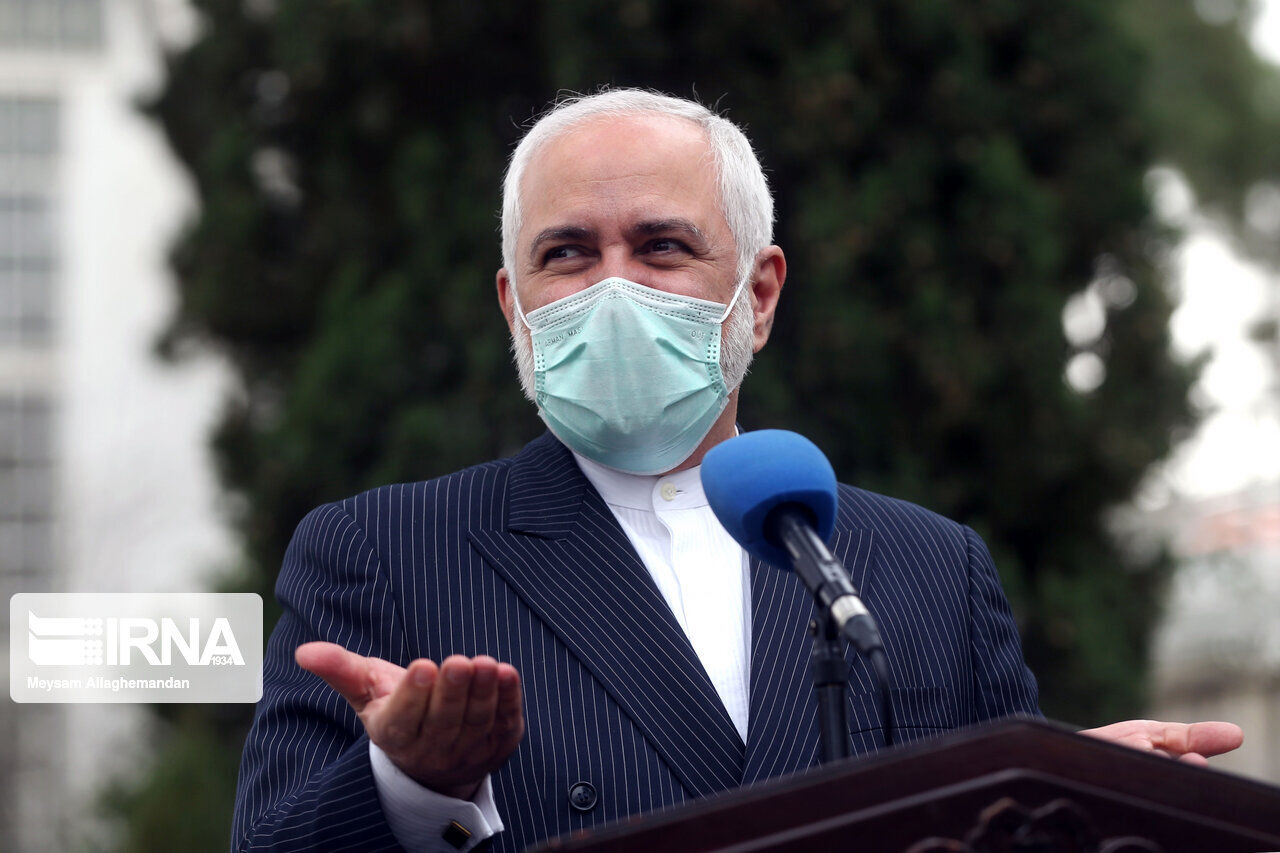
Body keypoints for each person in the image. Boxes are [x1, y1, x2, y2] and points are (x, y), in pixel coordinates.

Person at [230, 89, 1243, 853]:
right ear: (514, 307)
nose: (613, 289)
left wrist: (1070, 792)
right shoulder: (385, 551)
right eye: (567, 254)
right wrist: (413, 786)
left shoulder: (930, 566)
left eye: (661, 246)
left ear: (757, 296)